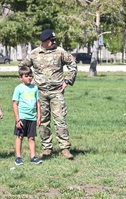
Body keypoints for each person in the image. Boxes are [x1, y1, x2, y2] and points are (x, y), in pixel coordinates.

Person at [20, 29, 77, 159]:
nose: (54, 42)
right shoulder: (34, 54)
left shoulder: (60, 52)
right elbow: (22, 66)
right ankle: (47, 148)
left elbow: (72, 64)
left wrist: (68, 80)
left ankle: (65, 148)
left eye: (54, 40)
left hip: (57, 91)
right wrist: (30, 81)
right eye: (51, 40)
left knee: (60, 119)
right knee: (43, 121)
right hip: (40, 93)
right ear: (44, 41)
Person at [12, 66, 43, 166]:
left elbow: (38, 103)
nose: (29, 78)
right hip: (22, 117)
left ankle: (33, 157)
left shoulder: (34, 88)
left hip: (32, 117)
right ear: (21, 77)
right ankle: (18, 157)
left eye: (30, 76)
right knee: (19, 137)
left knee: (31, 138)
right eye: (26, 76)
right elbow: (15, 104)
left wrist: (39, 116)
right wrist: (17, 120)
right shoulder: (18, 88)